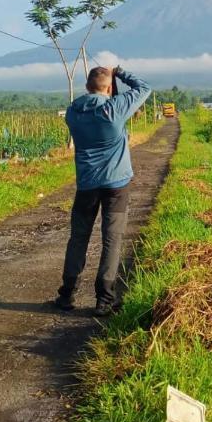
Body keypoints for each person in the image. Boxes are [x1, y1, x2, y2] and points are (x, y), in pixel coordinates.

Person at [54, 65, 151, 316]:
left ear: (87, 86)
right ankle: (104, 300)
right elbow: (144, 88)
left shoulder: (73, 112)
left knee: (78, 238)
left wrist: (109, 85)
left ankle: (67, 293)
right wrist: (120, 72)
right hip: (117, 186)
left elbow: (93, 102)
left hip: (86, 185)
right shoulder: (115, 109)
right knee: (112, 240)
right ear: (108, 87)